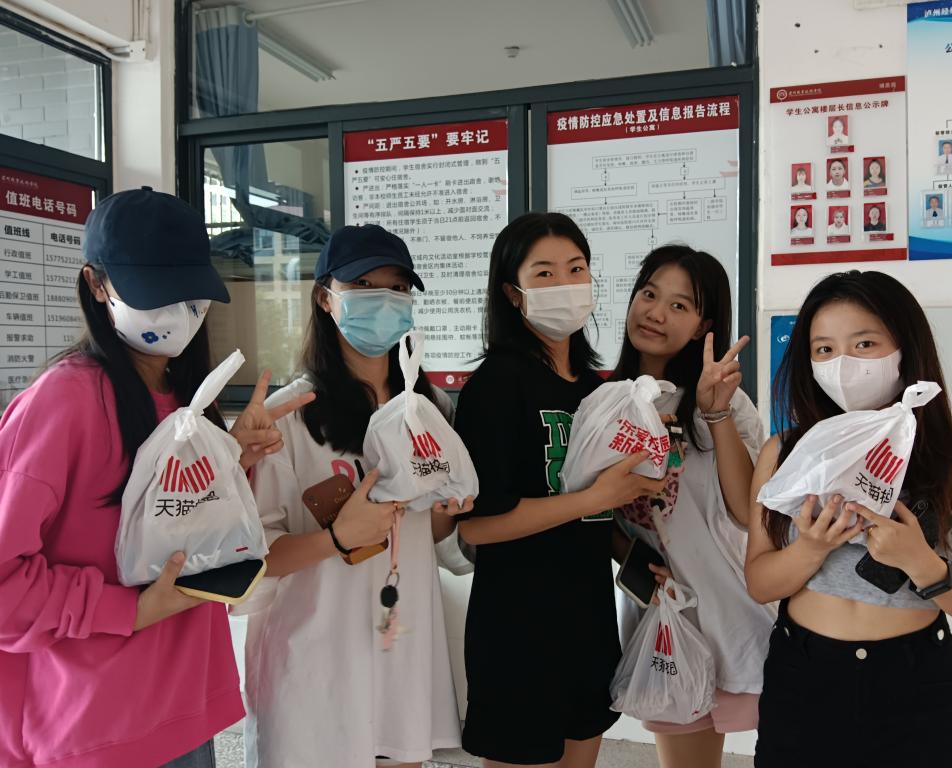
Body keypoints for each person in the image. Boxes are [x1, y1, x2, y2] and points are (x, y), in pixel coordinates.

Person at [0, 187, 309, 768]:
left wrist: (232, 460)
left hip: (186, 711)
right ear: (96, 284)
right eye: (152, 288)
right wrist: (129, 610)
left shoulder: (187, 400)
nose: (174, 309)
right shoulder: (62, 404)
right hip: (93, 728)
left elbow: (180, 526)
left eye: (188, 292)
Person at [746, 270, 952, 768]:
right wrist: (811, 548)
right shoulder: (785, 453)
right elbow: (759, 583)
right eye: (824, 350)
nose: (843, 364)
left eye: (864, 344)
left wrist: (921, 563)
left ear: (906, 348)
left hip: (917, 683)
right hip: (804, 677)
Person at [237, 224, 473, 768]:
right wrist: (337, 539)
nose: (383, 301)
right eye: (363, 285)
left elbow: (437, 541)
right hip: (316, 660)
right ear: (325, 298)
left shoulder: (429, 410)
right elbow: (256, 560)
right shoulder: (289, 416)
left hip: (402, 648)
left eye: (397, 288)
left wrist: (447, 512)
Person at [453, 212, 665, 768]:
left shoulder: (598, 391)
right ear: (513, 292)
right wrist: (596, 499)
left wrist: (636, 556)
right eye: (544, 273)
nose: (565, 283)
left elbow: (596, 516)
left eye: (576, 268)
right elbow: (477, 527)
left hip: (589, 621)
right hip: (519, 631)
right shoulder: (494, 386)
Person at [611, 246, 775, 768]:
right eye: (649, 294)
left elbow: (748, 511)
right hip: (666, 622)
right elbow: (599, 512)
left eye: (679, 305)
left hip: (732, 617)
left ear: (704, 325)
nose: (655, 313)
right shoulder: (607, 402)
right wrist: (633, 561)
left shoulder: (723, 400)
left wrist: (715, 413)